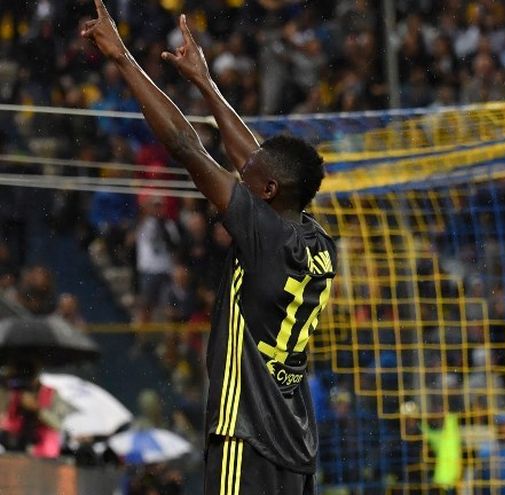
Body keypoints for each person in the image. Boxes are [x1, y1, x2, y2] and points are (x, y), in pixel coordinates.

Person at [82, 2, 337, 494]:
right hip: (293, 447)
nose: (241, 168)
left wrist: (122, 58)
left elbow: (185, 145)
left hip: (247, 433)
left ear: (267, 192)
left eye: (249, 174)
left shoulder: (266, 236)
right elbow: (253, 157)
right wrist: (205, 82)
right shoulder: (315, 239)